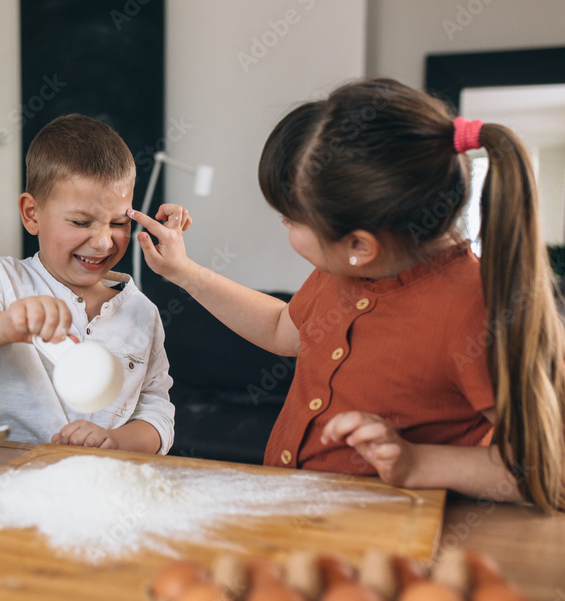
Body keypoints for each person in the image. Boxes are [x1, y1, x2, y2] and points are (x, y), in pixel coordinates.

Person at [132, 78, 565, 512]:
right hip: (293, 515)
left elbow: (548, 468)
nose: (285, 227)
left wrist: (418, 463)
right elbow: (284, 329)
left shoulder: (477, 311)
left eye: (291, 220)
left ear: (360, 245)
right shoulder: (346, 269)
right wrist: (184, 272)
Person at [0, 114, 180, 454]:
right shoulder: (4, 279)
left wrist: (117, 441)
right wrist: (6, 324)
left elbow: (158, 412)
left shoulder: (142, 313)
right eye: (80, 221)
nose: (104, 242)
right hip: (11, 482)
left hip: (105, 487)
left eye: (119, 223)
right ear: (32, 214)